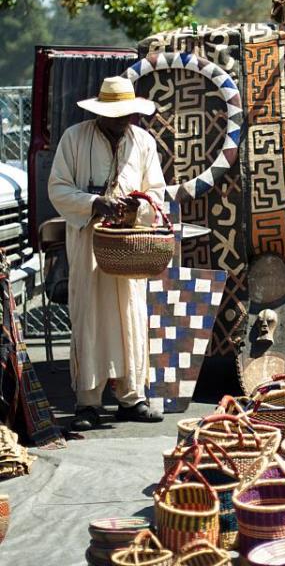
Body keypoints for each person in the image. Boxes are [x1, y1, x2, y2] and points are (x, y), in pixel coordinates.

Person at [48, 76, 167, 431]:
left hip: (129, 244)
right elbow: (58, 188)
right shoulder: (74, 138)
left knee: (131, 313)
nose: (120, 121)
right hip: (88, 244)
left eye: (125, 114)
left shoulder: (143, 141)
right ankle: (88, 402)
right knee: (89, 315)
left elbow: (157, 193)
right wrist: (93, 203)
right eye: (114, 115)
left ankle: (133, 398)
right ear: (100, 113)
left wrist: (135, 210)